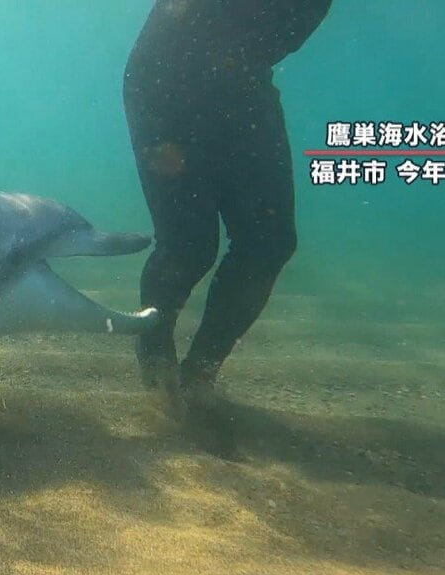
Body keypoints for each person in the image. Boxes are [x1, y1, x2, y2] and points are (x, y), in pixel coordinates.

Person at [123, 0, 332, 451]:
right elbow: (161, 40)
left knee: (271, 242)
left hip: (246, 91)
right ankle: (157, 361)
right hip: (165, 89)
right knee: (189, 245)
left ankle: (200, 376)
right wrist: (157, 132)